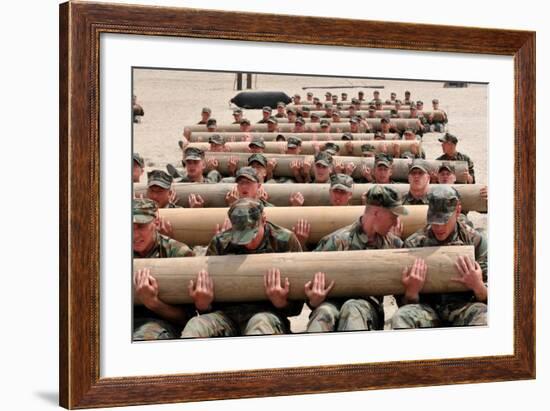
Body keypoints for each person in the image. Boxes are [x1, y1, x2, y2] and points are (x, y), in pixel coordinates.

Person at [180, 198, 304, 337]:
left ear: (263, 220)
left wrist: (281, 302)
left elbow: (297, 309)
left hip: (266, 314)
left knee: (260, 326)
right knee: (196, 325)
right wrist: (203, 305)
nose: (248, 243)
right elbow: (208, 304)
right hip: (227, 316)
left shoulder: (285, 241)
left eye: (252, 234)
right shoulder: (221, 243)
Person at [306, 185, 407, 332]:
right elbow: (309, 284)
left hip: (366, 310)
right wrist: (313, 300)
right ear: (377, 212)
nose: (396, 223)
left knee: (352, 308)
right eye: (393, 216)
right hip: (332, 304)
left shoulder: (394, 245)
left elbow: (403, 298)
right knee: (323, 312)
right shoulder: (337, 241)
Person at [391, 185, 488, 329]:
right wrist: (412, 293)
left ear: (458, 211)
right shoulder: (414, 244)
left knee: (486, 317)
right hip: (428, 311)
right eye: (434, 220)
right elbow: (403, 303)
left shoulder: (476, 241)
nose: (439, 227)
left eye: (444, 220)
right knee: (402, 317)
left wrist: (478, 286)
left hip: (463, 309)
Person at [132, 198, 204, 341]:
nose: (134, 235)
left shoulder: (179, 253)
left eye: (141, 226)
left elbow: (187, 318)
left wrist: (153, 303)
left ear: (156, 223)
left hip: (159, 324)